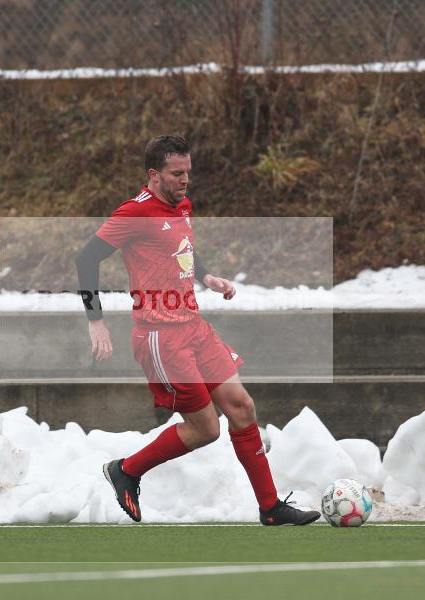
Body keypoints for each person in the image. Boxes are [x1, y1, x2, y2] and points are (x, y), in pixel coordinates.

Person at [75, 134, 319, 526]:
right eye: (176, 173)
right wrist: (96, 320)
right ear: (154, 175)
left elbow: (181, 247)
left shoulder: (181, 204)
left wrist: (207, 276)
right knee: (205, 428)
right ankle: (127, 471)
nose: (185, 180)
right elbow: (86, 258)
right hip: (161, 337)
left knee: (242, 408)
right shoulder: (134, 213)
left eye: (187, 172)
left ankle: (271, 508)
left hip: (194, 326)